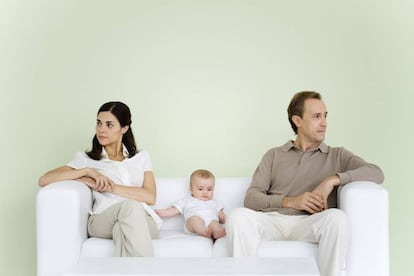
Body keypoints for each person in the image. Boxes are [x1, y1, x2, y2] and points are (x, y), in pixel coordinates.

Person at [226, 91, 384, 276]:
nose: (324, 123)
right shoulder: (274, 155)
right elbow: (251, 198)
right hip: (273, 220)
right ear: (297, 121)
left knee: (337, 218)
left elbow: (376, 173)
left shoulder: (338, 155)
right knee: (238, 216)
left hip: (310, 222)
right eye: (317, 116)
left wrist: (332, 179)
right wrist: (291, 201)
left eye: (325, 116)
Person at [38, 101, 158, 257]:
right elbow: (44, 180)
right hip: (102, 219)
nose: (101, 130)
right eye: (98, 123)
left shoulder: (141, 157)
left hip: (142, 220)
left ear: (124, 128)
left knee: (122, 226)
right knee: (129, 208)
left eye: (109, 125)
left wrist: (110, 187)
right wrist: (88, 171)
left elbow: (150, 196)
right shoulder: (86, 159)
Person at [155, 169, 226, 239]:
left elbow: (220, 215)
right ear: (191, 189)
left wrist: (223, 218)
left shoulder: (215, 202)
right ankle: (204, 231)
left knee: (215, 223)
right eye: (200, 189)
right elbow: (174, 210)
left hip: (210, 222)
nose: (205, 192)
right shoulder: (186, 200)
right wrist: (163, 212)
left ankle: (217, 232)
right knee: (195, 220)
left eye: (209, 189)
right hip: (192, 224)